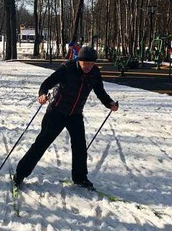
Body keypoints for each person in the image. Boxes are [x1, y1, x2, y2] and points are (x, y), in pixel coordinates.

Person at [14, 46, 119, 190]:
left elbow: (100, 91)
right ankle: (20, 174)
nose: (88, 66)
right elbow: (46, 84)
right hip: (56, 112)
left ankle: (80, 178)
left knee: (80, 146)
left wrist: (110, 103)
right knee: (42, 143)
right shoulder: (67, 69)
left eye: (91, 64)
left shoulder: (94, 73)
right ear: (79, 60)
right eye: (85, 63)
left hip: (75, 114)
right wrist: (43, 94)